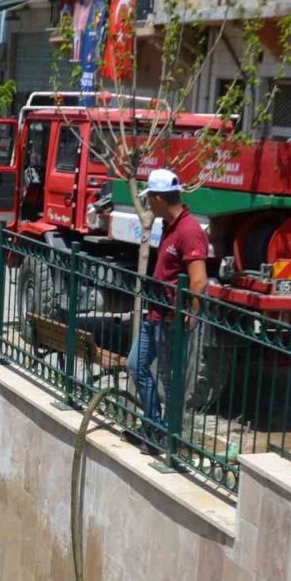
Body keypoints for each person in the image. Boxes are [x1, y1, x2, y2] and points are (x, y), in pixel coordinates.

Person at [126, 168, 209, 450]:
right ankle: (155, 425)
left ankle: (170, 439)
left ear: (160, 198)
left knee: (170, 381)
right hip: (156, 314)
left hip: (171, 320)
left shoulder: (189, 232)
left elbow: (198, 280)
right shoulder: (171, 226)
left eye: (150, 198)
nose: (148, 203)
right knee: (136, 365)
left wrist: (190, 314)